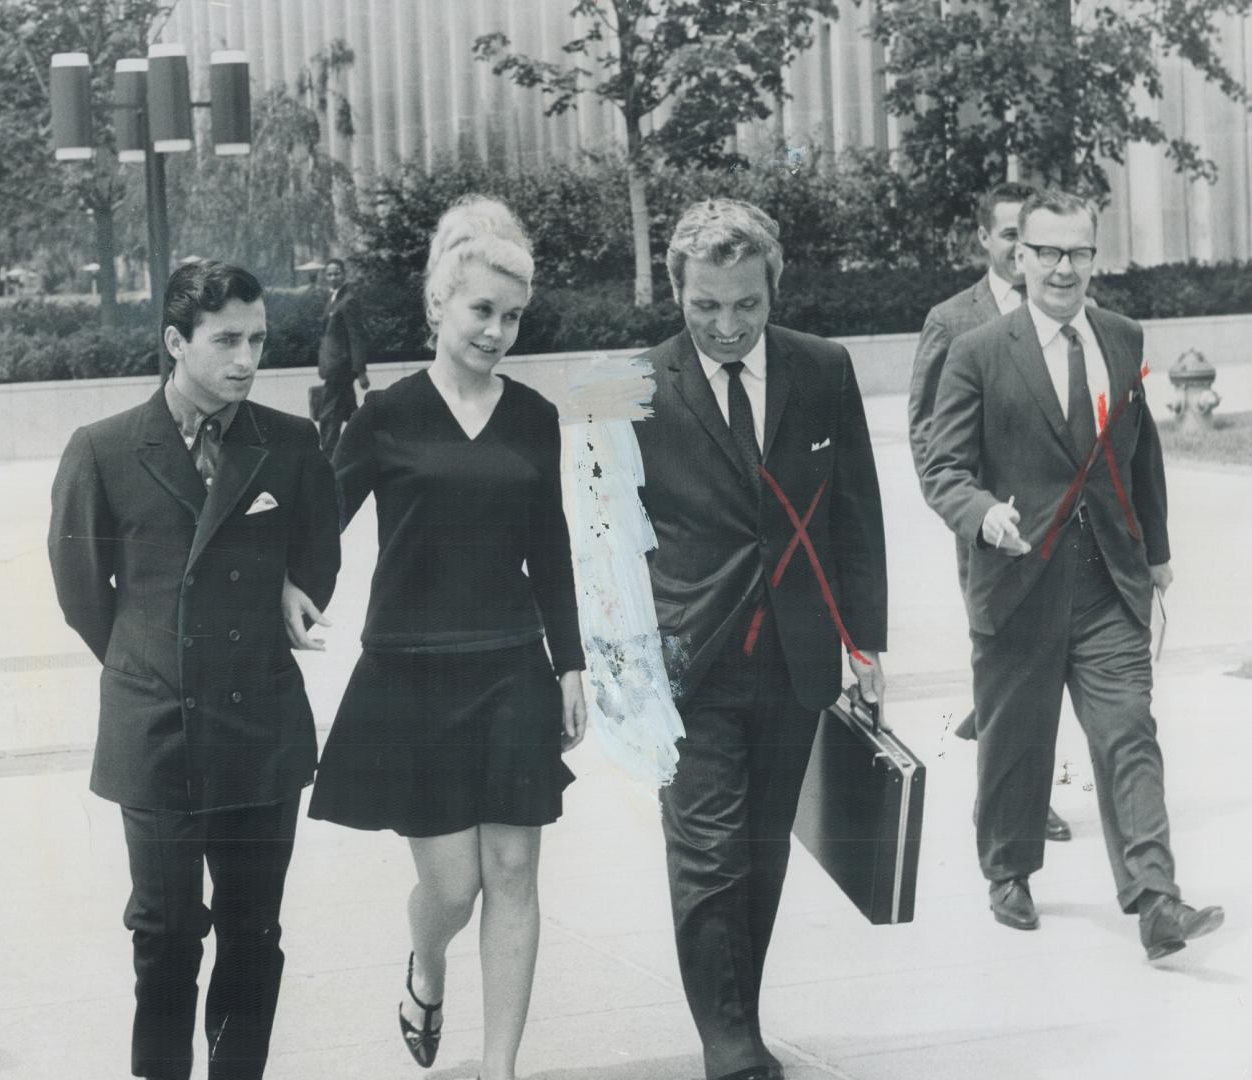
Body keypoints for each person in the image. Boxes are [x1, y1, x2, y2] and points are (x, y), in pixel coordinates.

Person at [296, 196, 587, 1080]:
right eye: (480, 312)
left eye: (511, 316)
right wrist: (292, 585)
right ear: (437, 306)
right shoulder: (386, 416)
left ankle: (497, 1068)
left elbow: (552, 547)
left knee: (513, 873)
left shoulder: (534, 417)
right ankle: (426, 966)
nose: (496, 331)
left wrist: (569, 661)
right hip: (412, 674)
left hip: (510, 668)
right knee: (453, 887)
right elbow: (323, 518)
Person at [48, 259, 341, 1079]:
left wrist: (295, 587)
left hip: (259, 727)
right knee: (166, 930)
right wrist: (151, 661)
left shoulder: (287, 442)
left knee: (253, 930)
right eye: (226, 341)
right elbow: (81, 593)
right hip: (157, 729)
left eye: (257, 339)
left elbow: (320, 546)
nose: (247, 359)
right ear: (176, 342)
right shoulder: (103, 450)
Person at [921, 189, 1223, 958]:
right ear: (1017, 257)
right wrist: (981, 513)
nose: (1063, 267)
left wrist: (1153, 550)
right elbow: (942, 466)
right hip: (1017, 578)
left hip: (1105, 581)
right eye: (1046, 251)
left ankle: (1155, 898)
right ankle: (1008, 869)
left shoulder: (1121, 338)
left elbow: (1139, 452)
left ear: (1095, 256)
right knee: (1016, 740)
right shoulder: (978, 349)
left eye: (1077, 252)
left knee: (1128, 732)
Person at [633, 199, 887, 1080]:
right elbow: (595, 540)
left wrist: (865, 639)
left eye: (746, 304)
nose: (727, 325)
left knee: (761, 847)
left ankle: (739, 1014)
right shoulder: (626, 385)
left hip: (795, 654)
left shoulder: (824, 369)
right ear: (676, 291)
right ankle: (730, 1047)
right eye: (705, 306)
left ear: (773, 288)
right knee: (705, 851)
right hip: (686, 662)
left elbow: (855, 508)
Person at [907, 182, 1072, 843]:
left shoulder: (1065, 313)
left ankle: (1019, 786)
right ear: (982, 238)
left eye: (1025, 234)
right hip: (989, 528)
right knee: (1007, 660)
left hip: (1062, 525)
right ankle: (1007, 797)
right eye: (1006, 234)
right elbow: (926, 434)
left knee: (1051, 658)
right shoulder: (953, 321)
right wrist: (970, 511)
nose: (1017, 247)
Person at [310, 256, 370, 461]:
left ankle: (327, 458)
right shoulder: (334, 298)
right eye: (329, 274)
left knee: (328, 413)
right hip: (334, 365)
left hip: (341, 366)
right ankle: (370, 443)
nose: (333, 277)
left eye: (337, 273)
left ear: (344, 275)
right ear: (325, 277)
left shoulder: (349, 300)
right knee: (350, 412)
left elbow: (357, 336)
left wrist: (361, 371)